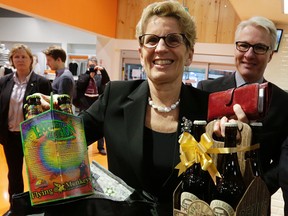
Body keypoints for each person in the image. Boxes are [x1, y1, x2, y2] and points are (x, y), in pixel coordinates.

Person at [38, 1, 210, 215]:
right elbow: (64, 147)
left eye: (173, 39)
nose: (161, 48)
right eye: (152, 40)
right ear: (140, 53)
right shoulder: (115, 97)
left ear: (189, 53)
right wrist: (50, 121)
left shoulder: (209, 108)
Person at [197, 16, 288, 205]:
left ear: (270, 54)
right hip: (207, 196)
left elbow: (283, 161)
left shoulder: (283, 102)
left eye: (260, 47)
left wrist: (259, 189)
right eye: (243, 45)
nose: (249, 54)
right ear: (235, 48)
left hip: (256, 199)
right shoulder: (206, 90)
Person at [0, 43, 52, 216]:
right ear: (12, 60)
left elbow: (49, 109)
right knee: (14, 174)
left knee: (38, 174)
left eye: (24, 56)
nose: (20, 60)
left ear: (31, 60)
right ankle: (16, 207)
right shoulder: (4, 81)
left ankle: (40, 207)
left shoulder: (42, 82)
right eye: (16, 57)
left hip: (34, 138)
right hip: (11, 136)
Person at [74, 56, 110, 155]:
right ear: (87, 66)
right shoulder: (83, 76)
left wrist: (102, 71)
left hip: (96, 102)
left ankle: (101, 147)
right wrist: (88, 75)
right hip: (85, 102)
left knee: (99, 124)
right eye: (90, 66)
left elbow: (106, 80)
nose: (92, 67)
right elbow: (80, 84)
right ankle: (82, 145)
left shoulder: (99, 77)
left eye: (94, 65)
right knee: (81, 125)